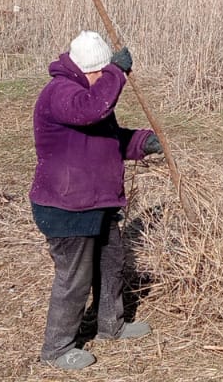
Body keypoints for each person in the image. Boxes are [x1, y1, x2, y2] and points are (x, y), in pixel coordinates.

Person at [29, 30, 164, 370]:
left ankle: (111, 325)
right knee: (74, 278)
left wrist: (142, 143)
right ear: (90, 70)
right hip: (66, 207)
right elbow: (90, 110)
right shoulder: (61, 93)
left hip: (96, 202)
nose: (104, 81)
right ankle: (57, 349)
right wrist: (116, 73)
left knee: (111, 263)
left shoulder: (87, 94)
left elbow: (106, 136)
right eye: (101, 74)